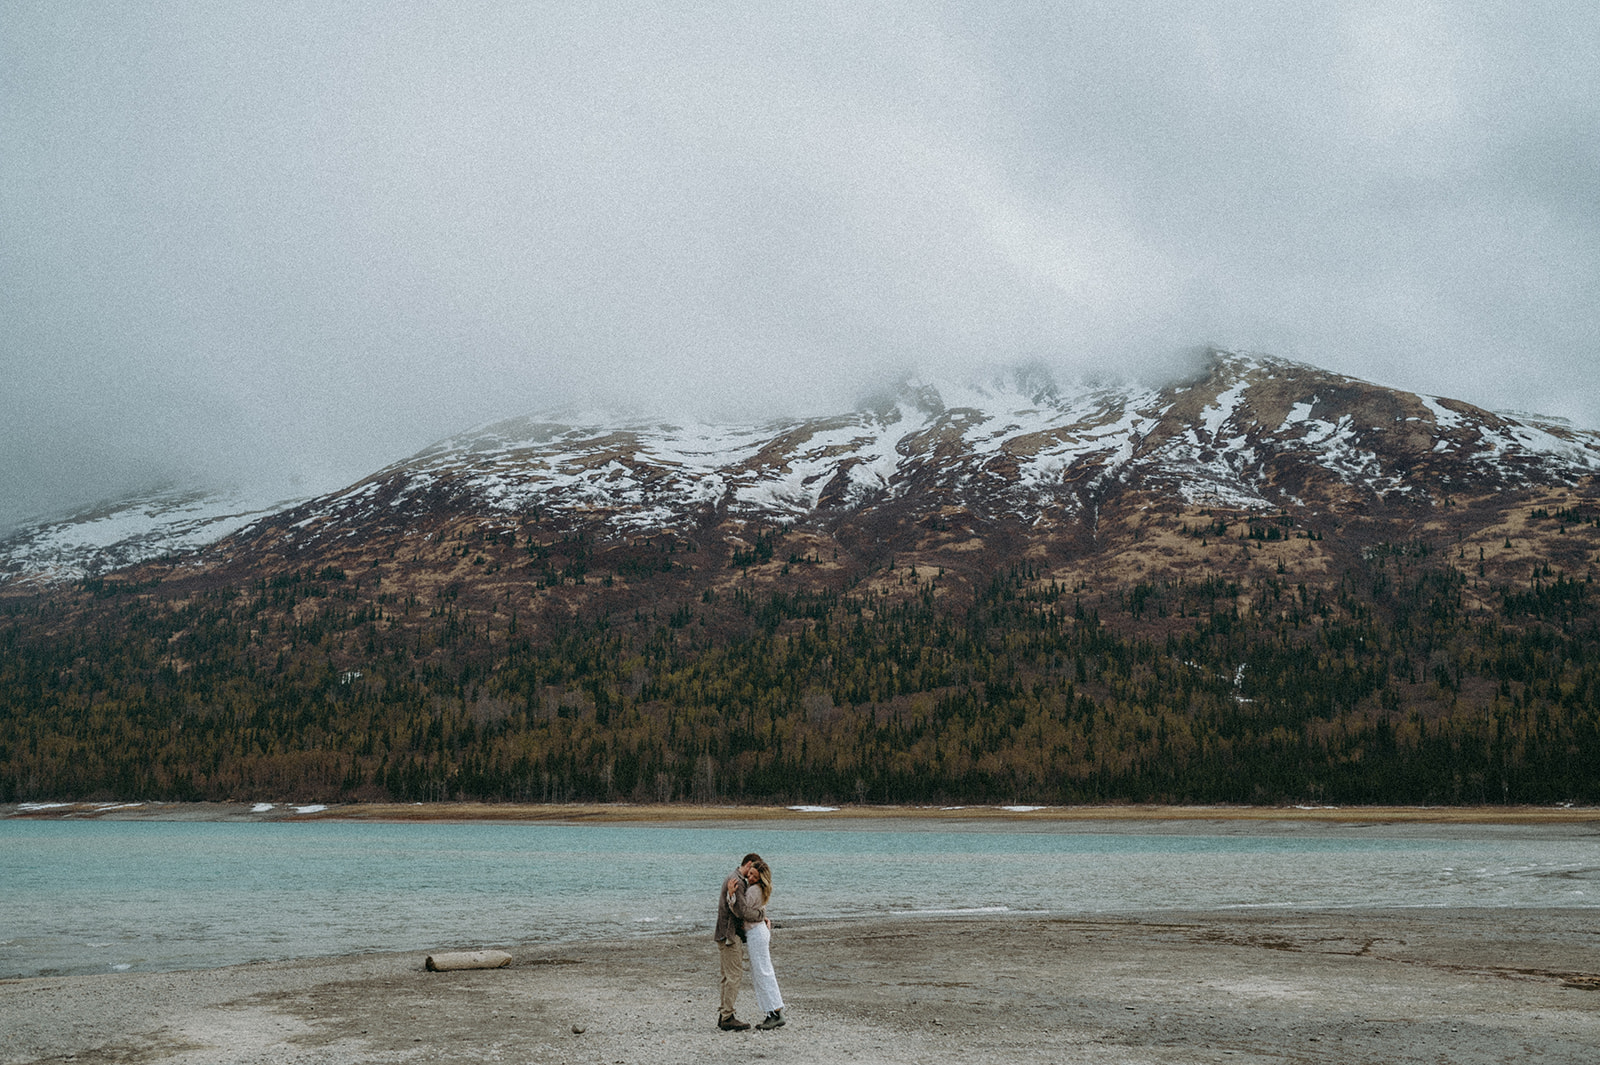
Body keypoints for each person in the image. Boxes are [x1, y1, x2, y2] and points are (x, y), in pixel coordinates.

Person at [714, 852, 763, 1031]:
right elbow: (742, 911)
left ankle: (724, 1014)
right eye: (753, 871)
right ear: (749, 864)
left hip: (723, 933)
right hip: (729, 935)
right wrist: (761, 915)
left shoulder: (732, 877)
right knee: (734, 976)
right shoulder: (738, 881)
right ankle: (727, 1016)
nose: (753, 877)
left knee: (727, 976)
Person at [743, 857, 786, 1030]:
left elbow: (742, 911)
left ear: (761, 877)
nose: (750, 877)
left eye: (754, 875)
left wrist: (731, 895)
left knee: (763, 972)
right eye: (750, 873)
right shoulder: (759, 889)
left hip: (756, 933)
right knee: (762, 971)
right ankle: (773, 1011)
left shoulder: (754, 890)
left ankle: (775, 1012)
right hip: (759, 931)